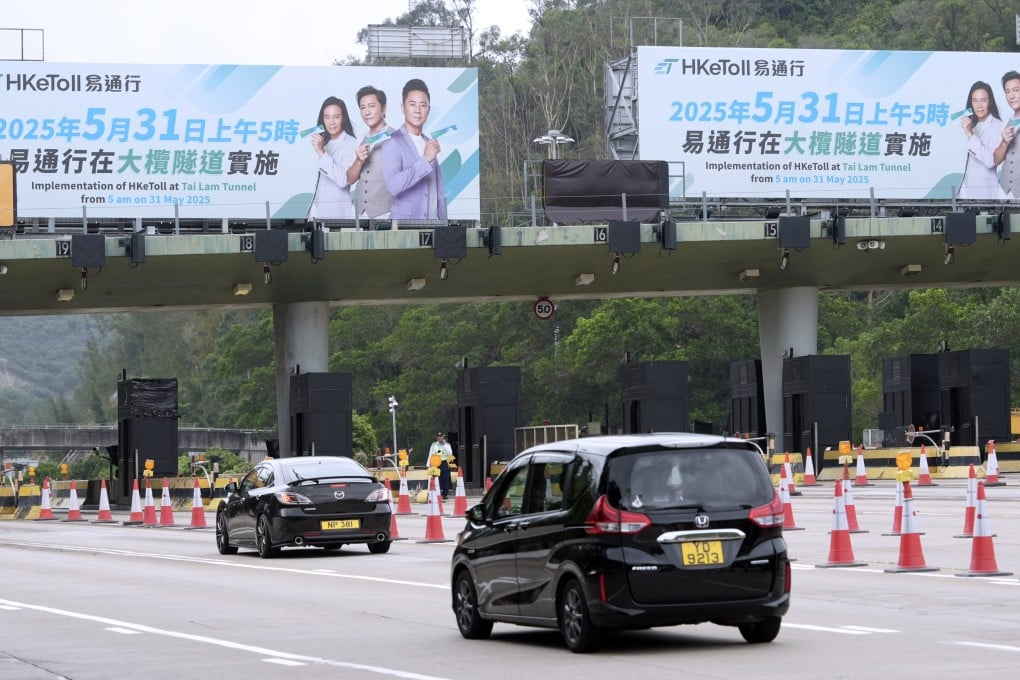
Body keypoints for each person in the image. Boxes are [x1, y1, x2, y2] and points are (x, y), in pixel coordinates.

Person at [381, 78, 447, 220]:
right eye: (412, 104)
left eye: (423, 105)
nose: (418, 110)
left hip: (433, 227)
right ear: (402, 107)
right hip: (403, 227)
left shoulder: (429, 143)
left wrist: (443, 223)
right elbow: (393, 186)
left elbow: (438, 190)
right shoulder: (392, 142)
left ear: (428, 110)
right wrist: (425, 160)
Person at [348, 86, 396, 220]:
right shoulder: (360, 140)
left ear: (383, 108)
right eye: (362, 108)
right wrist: (358, 161)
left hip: (386, 212)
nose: (367, 112)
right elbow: (350, 179)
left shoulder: (398, 138)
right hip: (359, 212)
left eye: (371, 106)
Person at [306, 96, 358, 220]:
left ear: (344, 118)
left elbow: (344, 180)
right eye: (327, 117)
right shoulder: (325, 142)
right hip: (315, 209)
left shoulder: (352, 143)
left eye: (336, 117)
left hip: (336, 212)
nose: (331, 122)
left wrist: (321, 152)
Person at [956, 81, 1004, 199]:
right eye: (975, 101)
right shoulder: (972, 124)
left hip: (984, 192)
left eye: (983, 100)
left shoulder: (998, 126)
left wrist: (970, 134)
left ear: (990, 102)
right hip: (964, 191)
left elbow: (991, 161)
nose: (979, 105)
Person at [994, 71, 1020, 198]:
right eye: (1007, 92)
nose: (1011, 96)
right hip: (1005, 191)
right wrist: (1004, 143)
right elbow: (996, 160)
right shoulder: (1005, 123)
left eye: (1015, 90)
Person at [428, 432, 453, 499]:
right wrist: (428, 464)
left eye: (441, 437)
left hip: (444, 462)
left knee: (445, 478)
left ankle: (445, 494)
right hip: (435, 463)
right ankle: (435, 493)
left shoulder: (447, 444)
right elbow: (430, 454)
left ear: (443, 437)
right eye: (438, 437)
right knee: (435, 478)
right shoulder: (434, 444)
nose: (439, 438)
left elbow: (450, 453)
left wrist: (444, 444)